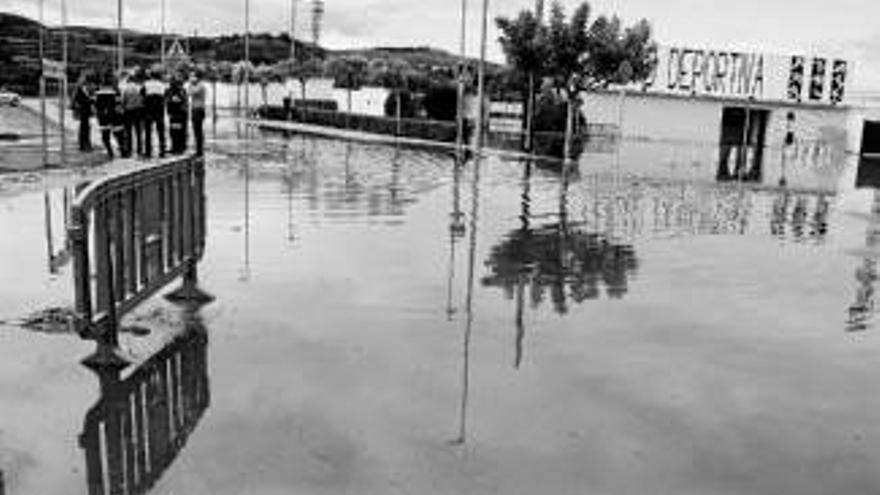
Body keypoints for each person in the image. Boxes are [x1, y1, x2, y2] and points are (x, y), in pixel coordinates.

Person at [94, 73, 124, 159]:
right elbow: (118, 104)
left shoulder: (98, 92)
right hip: (115, 116)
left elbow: (96, 105)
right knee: (119, 135)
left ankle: (110, 152)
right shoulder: (116, 91)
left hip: (103, 117)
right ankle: (122, 151)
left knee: (105, 136)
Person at [120, 68, 145, 158]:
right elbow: (143, 99)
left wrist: (123, 108)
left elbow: (123, 100)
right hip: (139, 110)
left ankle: (129, 150)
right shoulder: (139, 87)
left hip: (128, 111)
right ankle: (139, 150)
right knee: (138, 132)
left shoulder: (125, 88)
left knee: (128, 131)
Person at [143, 69, 167, 158]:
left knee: (148, 132)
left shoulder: (146, 84)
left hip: (149, 109)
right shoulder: (162, 85)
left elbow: (142, 94)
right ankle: (162, 151)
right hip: (159, 109)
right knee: (161, 131)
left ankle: (148, 152)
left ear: (151, 76)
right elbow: (165, 96)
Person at [165, 75, 188, 154]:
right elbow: (167, 100)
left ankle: (180, 148)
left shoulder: (181, 91)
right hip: (174, 113)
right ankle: (175, 147)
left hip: (179, 113)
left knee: (179, 131)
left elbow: (180, 101)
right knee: (174, 131)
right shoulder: (170, 90)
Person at [72, 73, 94, 152]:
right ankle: (84, 145)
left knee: (86, 128)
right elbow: (80, 100)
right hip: (83, 111)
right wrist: (90, 100)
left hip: (86, 112)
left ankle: (86, 144)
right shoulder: (79, 90)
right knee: (84, 129)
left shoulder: (85, 89)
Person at [188, 71, 208, 156]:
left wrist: (190, 85)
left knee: (198, 130)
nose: (191, 78)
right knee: (196, 130)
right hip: (195, 109)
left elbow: (191, 92)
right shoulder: (198, 85)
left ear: (197, 77)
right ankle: (198, 149)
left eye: (192, 76)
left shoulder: (200, 86)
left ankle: (199, 150)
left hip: (198, 109)